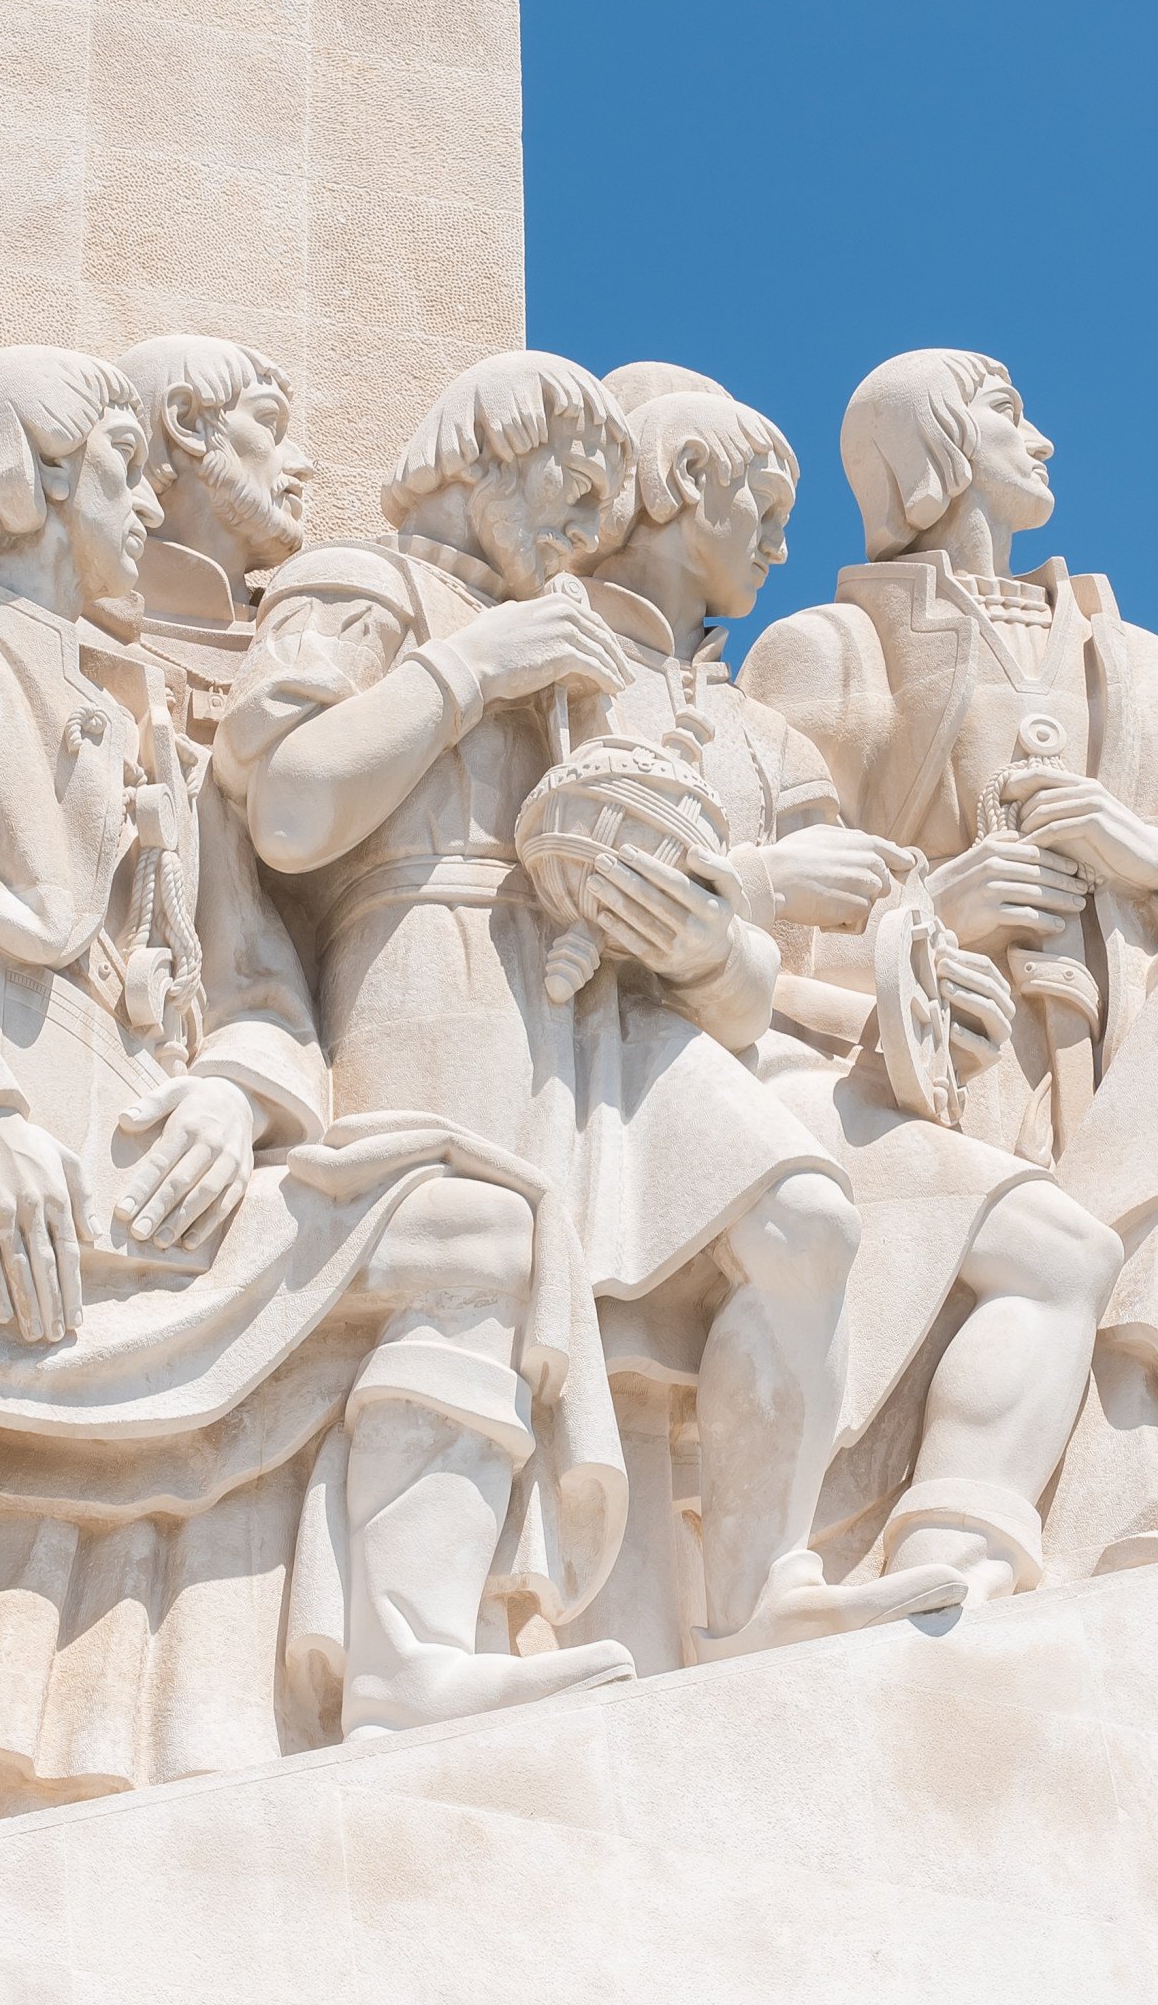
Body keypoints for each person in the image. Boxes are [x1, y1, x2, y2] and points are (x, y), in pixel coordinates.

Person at [0, 345, 621, 1804]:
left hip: (148, 1190)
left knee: (476, 1229)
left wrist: (238, 1090)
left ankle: (411, 1658)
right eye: (123, 482)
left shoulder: (162, 751)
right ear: (39, 487)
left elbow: (255, 988)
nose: (148, 520)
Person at [223, 351, 966, 1656]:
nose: (583, 547)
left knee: (801, 1219)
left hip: (573, 1002)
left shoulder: (552, 642)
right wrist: (477, 664)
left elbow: (603, 849)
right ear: (480, 459)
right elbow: (289, 808)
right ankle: (415, 1644)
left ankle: (755, 1595)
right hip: (426, 966)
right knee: (481, 1282)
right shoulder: (367, 587)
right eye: (569, 505)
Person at [742, 351, 1158, 1558]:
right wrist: (937, 908)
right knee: (1054, 1253)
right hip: (966, 1046)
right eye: (1004, 411)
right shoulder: (831, 647)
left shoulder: (1137, 658)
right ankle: (988, 1530)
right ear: (930, 451)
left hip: (1142, 1007)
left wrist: (1145, 849)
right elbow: (763, 914)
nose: (1041, 438)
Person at [577, 380, 1123, 1620]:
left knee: (1064, 1250)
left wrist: (925, 950)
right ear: (674, 483)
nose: (782, 542)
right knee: (805, 1222)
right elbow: (571, 881)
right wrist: (763, 892)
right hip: (648, 1068)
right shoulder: (569, 676)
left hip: (787, 1068)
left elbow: (851, 934)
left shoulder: (752, 732)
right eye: (758, 507)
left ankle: (958, 1554)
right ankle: (752, 1595)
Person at [112, 333, 316, 742]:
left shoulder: (314, 640)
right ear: (186, 422)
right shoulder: (78, 629)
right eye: (270, 424)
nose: (302, 465)